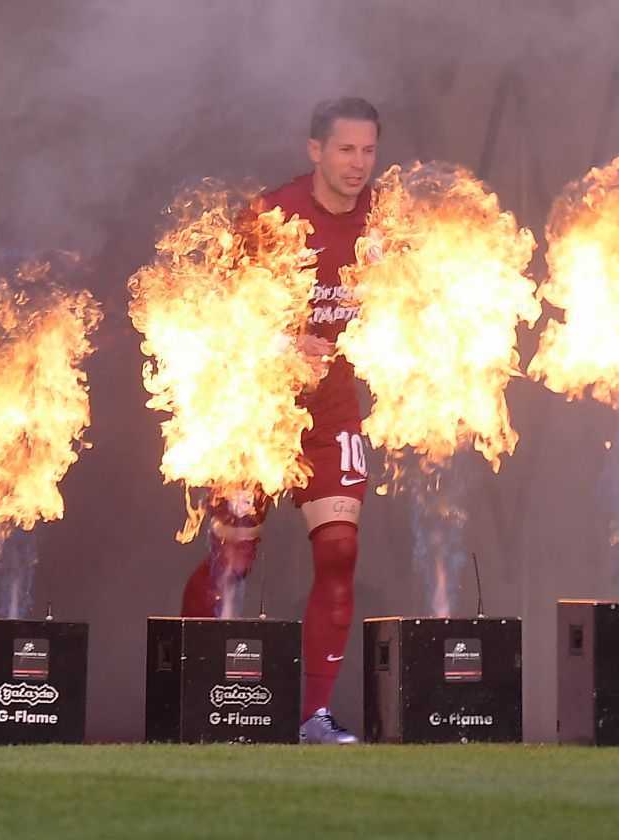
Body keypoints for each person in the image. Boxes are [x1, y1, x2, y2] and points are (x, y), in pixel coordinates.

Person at [179, 97, 380, 745]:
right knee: (233, 555)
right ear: (315, 150)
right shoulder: (272, 217)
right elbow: (217, 318)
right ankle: (197, 697)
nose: (358, 163)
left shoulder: (387, 221)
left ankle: (310, 717)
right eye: (346, 149)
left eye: (369, 150)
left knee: (340, 550)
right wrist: (284, 346)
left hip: (332, 407)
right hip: (257, 402)